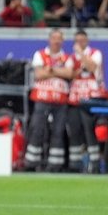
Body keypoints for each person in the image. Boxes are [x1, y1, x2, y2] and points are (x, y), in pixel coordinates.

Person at [24, 29, 72, 172]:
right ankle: (31, 162)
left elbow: (69, 73)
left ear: (62, 41)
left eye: (59, 38)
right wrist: (59, 71)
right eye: (54, 38)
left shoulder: (67, 57)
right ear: (49, 39)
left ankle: (55, 164)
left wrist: (50, 70)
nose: (57, 41)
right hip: (42, 97)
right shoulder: (40, 54)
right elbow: (38, 74)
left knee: (58, 131)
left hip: (60, 99)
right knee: (37, 128)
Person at [65, 30, 105, 173]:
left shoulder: (95, 53)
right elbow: (70, 74)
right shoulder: (71, 57)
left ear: (86, 41)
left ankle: (94, 163)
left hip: (90, 98)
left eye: (82, 40)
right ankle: (75, 164)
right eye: (77, 41)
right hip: (75, 97)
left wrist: (81, 54)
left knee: (89, 129)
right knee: (74, 130)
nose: (80, 43)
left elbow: (92, 67)